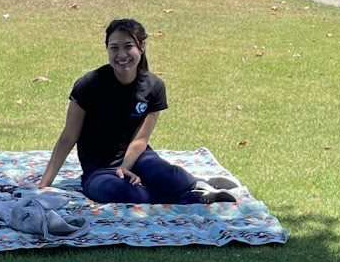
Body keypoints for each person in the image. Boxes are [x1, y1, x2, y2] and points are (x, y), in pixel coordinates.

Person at [38, 18, 239, 205]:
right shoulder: (88, 85)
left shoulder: (154, 86)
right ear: (107, 49)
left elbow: (140, 141)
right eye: (114, 48)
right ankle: (189, 196)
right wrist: (44, 184)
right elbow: (68, 137)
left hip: (139, 158)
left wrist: (125, 167)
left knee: (164, 174)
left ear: (141, 47)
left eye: (128, 46)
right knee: (114, 191)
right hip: (99, 170)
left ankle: (196, 183)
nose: (121, 55)